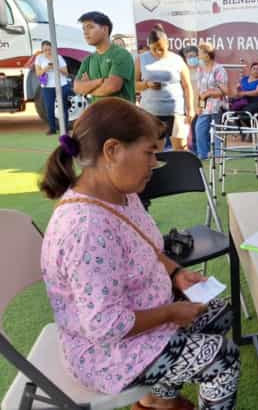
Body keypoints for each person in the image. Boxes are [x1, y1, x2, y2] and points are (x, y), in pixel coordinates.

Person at [39, 97, 240, 410]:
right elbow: (106, 326)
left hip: (141, 318)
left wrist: (175, 273)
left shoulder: (120, 193)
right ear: (112, 150)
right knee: (222, 358)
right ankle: (157, 399)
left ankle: (159, 400)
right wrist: (171, 313)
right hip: (106, 354)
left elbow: (146, 246)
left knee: (220, 312)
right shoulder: (86, 228)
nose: (154, 165)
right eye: (149, 154)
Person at [135, 25, 193, 151]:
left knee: (181, 150)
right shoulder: (141, 59)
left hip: (175, 111)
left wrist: (190, 109)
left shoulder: (177, 59)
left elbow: (187, 86)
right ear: (149, 46)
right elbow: (134, 85)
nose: (157, 52)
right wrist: (146, 85)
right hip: (150, 113)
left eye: (161, 48)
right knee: (154, 150)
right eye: (153, 49)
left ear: (167, 44)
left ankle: (182, 170)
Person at [73, 12, 135, 104]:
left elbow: (112, 87)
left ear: (105, 29)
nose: (85, 32)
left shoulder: (121, 54)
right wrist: (99, 81)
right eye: (84, 29)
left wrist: (87, 88)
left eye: (90, 27)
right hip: (98, 115)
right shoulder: (88, 60)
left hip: (122, 115)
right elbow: (77, 88)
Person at [193, 43, 228, 159]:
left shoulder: (219, 69)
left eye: (200, 52)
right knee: (199, 130)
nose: (198, 55)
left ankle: (219, 156)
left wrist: (209, 93)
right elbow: (199, 90)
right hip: (204, 107)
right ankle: (202, 155)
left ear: (207, 55)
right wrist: (197, 106)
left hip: (216, 107)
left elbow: (224, 90)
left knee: (217, 132)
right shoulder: (200, 69)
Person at [34, 40, 70, 135]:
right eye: (45, 50)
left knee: (63, 107)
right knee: (49, 108)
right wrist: (46, 68)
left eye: (49, 49)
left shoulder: (58, 57)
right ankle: (52, 128)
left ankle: (65, 128)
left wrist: (56, 67)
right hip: (47, 86)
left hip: (61, 84)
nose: (47, 52)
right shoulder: (39, 58)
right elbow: (38, 73)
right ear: (42, 50)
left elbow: (66, 73)